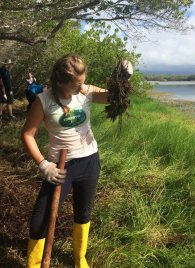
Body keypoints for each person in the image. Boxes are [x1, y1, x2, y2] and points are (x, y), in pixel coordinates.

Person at [21, 53, 133, 268]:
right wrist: (44, 165)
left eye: (83, 81)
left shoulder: (86, 91)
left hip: (89, 161)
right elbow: (27, 134)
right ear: (61, 82)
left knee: (83, 211)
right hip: (59, 168)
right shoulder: (43, 100)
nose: (81, 87)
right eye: (76, 83)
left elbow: (115, 98)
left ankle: (79, 259)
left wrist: (122, 79)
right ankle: (34, 264)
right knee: (40, 220)